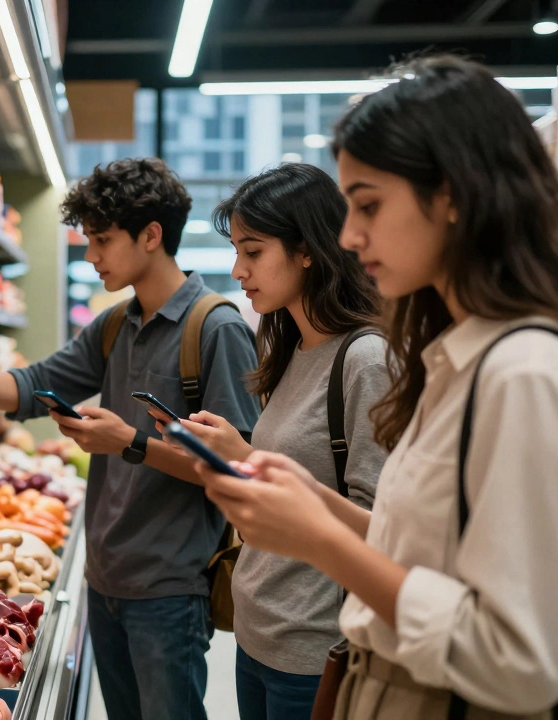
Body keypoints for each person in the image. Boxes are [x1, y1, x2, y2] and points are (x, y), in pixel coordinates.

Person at [194, 55, 558, 719]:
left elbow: (525, 661)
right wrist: (311, 503)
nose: (351, 237)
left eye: (369, 205)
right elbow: (423, 546)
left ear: (453, 197)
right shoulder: (453, 359)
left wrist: (321, 540)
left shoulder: (527, 375)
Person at [0, 157, 260, 720]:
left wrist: (130, 444)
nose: (91, 255)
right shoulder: (114, 325)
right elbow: (27, 388)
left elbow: (236, 470)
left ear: (152, 235)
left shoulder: (216, 328)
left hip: (169, 587)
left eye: (103, 240)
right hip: (103, 578)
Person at [151, 163, 388, 719]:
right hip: (258, 630)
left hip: (314, 646)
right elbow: (288, 482)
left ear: (307, 249)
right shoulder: (288, 350)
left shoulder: (365, 360)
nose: (237, 270)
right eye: (236, 251)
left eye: (253, 252)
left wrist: (250, 458)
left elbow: (382, 524)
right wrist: (226, 458)